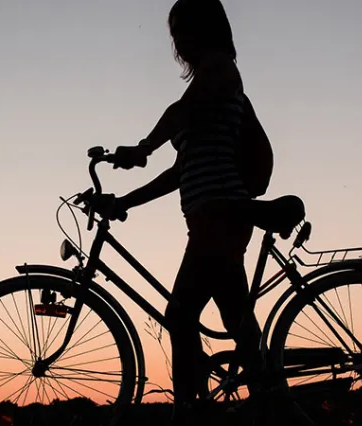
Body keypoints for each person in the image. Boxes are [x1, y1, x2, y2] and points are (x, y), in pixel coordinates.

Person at [91, 0, 273, 424]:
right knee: (234, 315)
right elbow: (179, 173)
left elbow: (178, 114)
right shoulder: (205, 92)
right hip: (213, 217)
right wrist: (124, 202)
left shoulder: (220, 72)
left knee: (180, 314)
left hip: (221, 214)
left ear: (203, 30)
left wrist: (143, 147)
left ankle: (189, 410)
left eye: (182, 31)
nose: (177, 42)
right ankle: (269, 398)